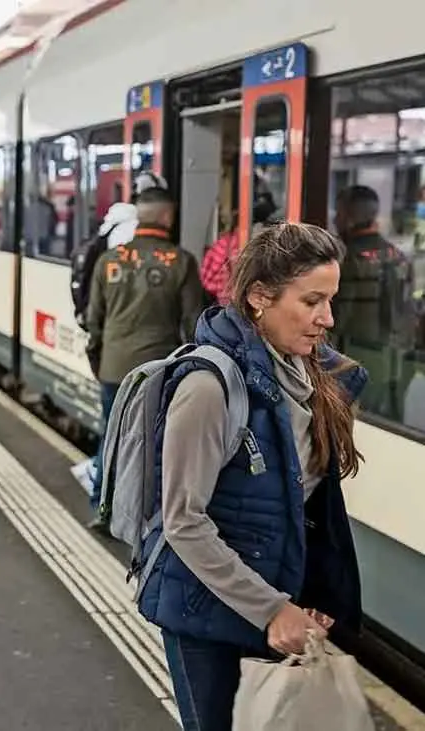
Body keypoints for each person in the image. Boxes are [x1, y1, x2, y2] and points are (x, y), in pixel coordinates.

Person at [139, 223, 365, 731]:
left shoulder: (312, 378)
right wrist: (272, 610)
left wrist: (313, 593)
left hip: (270, 603)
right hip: (205, 612)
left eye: (330, 301)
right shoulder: (208, 388)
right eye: (311, 301)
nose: (326, 319)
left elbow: (298, 508)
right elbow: (183, 522)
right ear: (260, 297)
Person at [85, 185, 203, 525]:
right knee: (155, 444)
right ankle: (145, 515)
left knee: (111, 437)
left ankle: (103, 509)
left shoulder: (109, 261)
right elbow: (193, 324)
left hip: (114, 367)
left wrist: (100, 361)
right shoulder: (181, 262)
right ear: (167, 217)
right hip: (159, 370)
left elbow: (93, 322)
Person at [329, 185, 415, 421]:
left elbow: (337, 320)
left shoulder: (345, 260)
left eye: (338, 212)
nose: (335, 219)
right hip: (395, 364)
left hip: (352, 363)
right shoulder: (399, 257)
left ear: (348, 216)